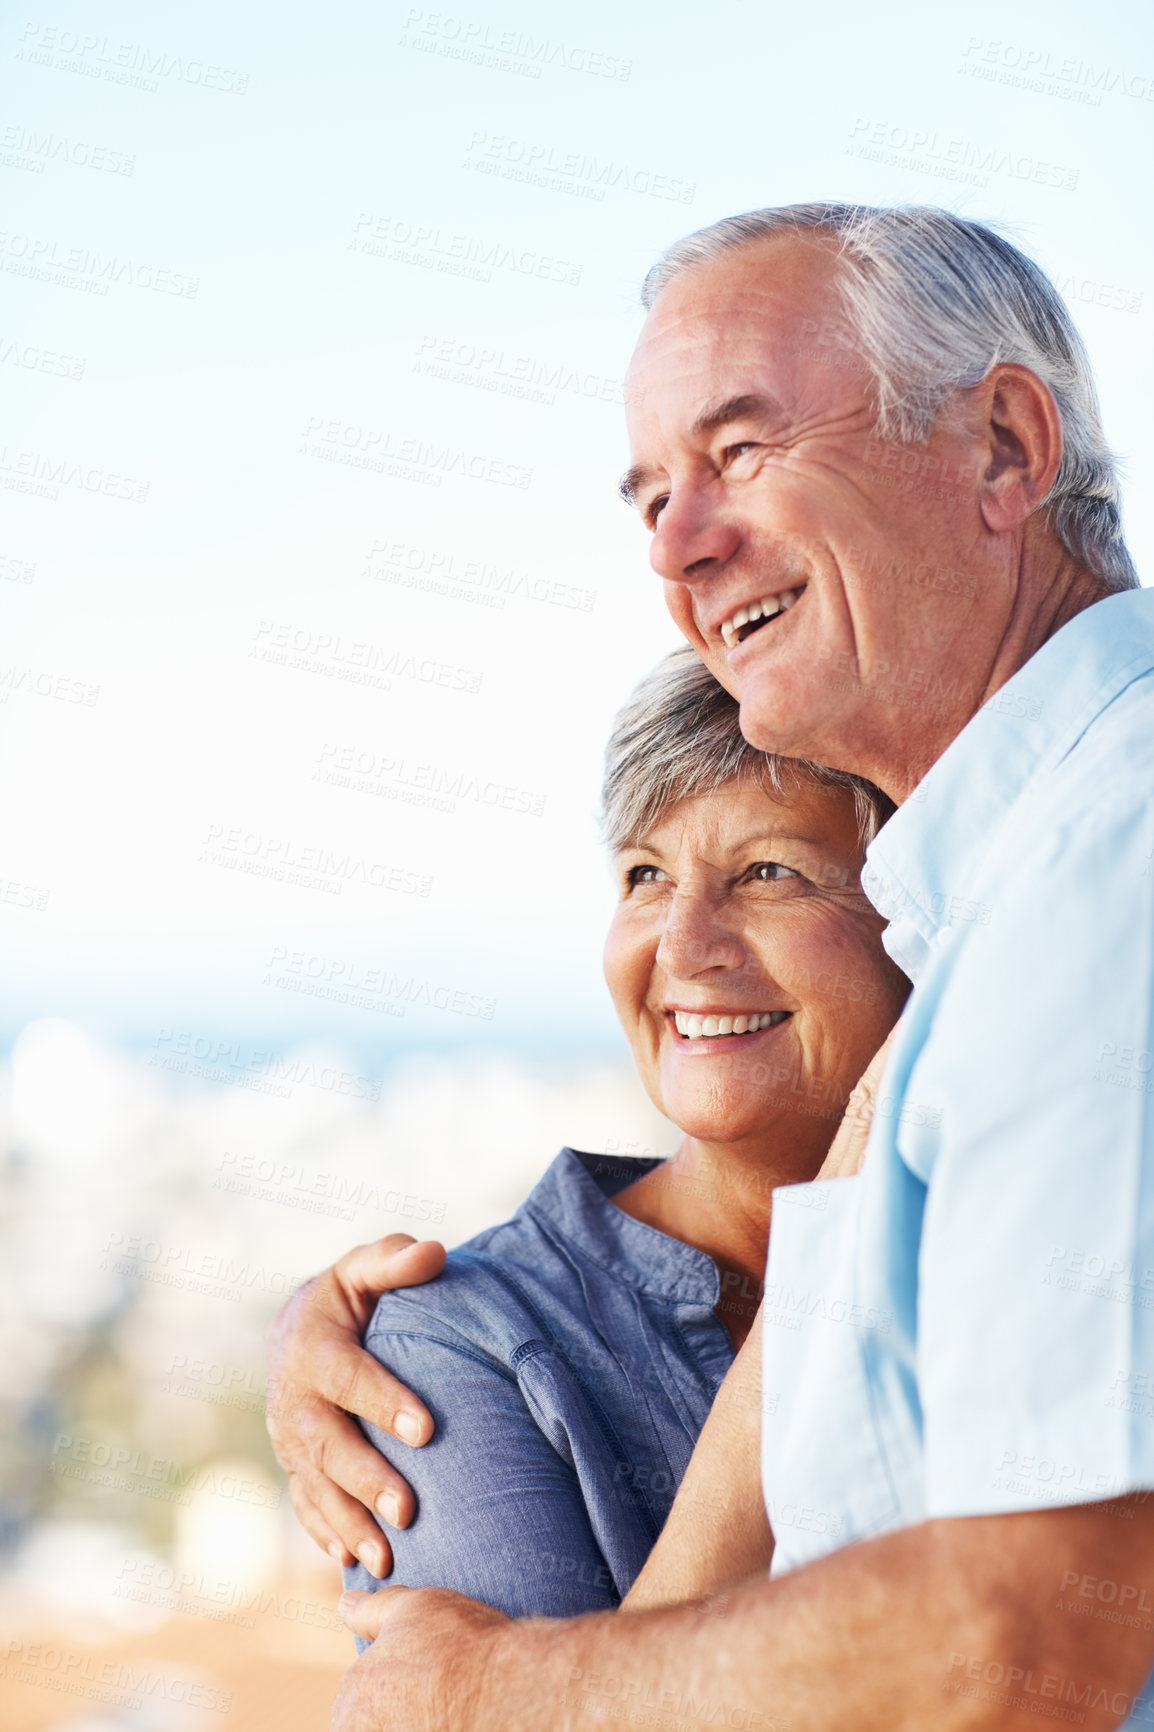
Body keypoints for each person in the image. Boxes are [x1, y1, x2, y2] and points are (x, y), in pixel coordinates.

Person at [278, 204, 1154, 1730]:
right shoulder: (1009, 902)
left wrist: (496, 1692)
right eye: (651, 497)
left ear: (1006, 447)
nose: (678, 544)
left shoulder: (1101, 867)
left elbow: (1026, 1638)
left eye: (739, 451)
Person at [271, 646, 908, 1621]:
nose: (684, 945)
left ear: (922, 923)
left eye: (768, 871)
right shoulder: (456, 1346)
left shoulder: (1032, 1247)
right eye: (643, 875)